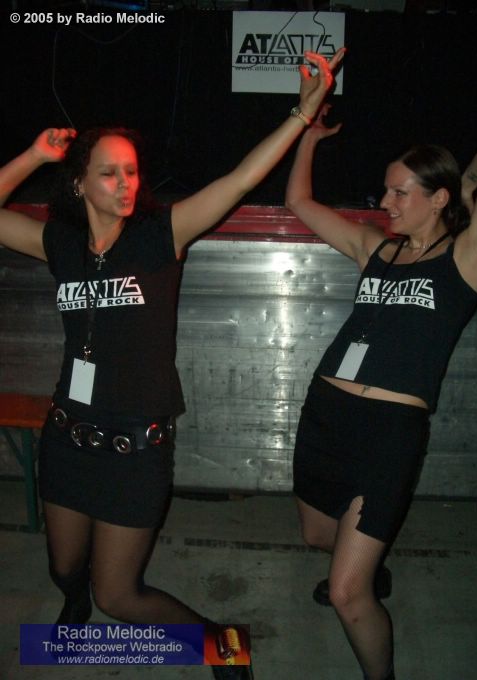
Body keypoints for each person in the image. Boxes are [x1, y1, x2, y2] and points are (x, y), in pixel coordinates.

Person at [0, 48, 345, 679]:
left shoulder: (161, 238)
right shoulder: (60, 245)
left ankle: (223, 646)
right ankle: (72, 600)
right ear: (79, 184)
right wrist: (32, 156)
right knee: (62, 567)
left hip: (135, 448)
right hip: (67, 438)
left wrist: (301, 113)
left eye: (131, 172)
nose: (126, 184)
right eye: (109, 173)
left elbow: (238, 181)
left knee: (119, 595)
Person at [285, 106, 477, 680]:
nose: (384, 202)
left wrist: (468, 185)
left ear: (439, 199)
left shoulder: (467, 256)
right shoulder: (376, 250)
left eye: (399, 192)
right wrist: (308, 138)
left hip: (389, 433)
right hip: (325, 414)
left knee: (345, 593)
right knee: (315, 533)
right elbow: (300, 203)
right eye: (386, 190)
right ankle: (367, 563)